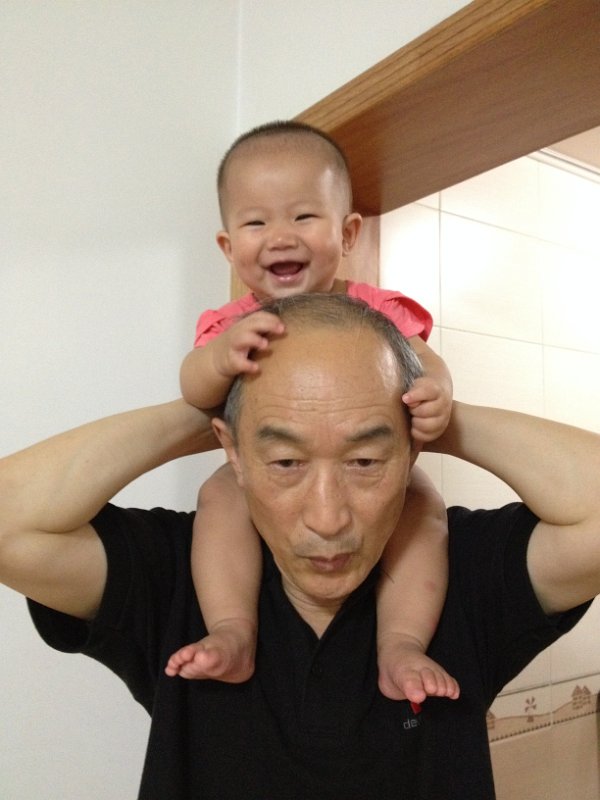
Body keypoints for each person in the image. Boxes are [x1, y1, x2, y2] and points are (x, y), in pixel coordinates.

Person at [1, 292, 599, 799]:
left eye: (366, 461)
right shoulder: (179, 571)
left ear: (410, 454)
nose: (327, 518)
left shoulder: (456, 565)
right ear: (233, 453)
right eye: (286, 461)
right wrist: (218, 413)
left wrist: (442, 421)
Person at [166, 120, 457, 703]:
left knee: (424, 501)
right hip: (260, 480)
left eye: (303, 217)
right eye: (256, 223)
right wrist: (220, 358)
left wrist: (438, 395)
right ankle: (233, 628)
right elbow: (193, 387)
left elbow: (428, 364)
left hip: (372, 489)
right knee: (219, 495)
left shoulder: (377, 311)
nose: (280, 237)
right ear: (228, 247)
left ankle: (400, 642)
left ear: (347, 233)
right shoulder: (231, 325)